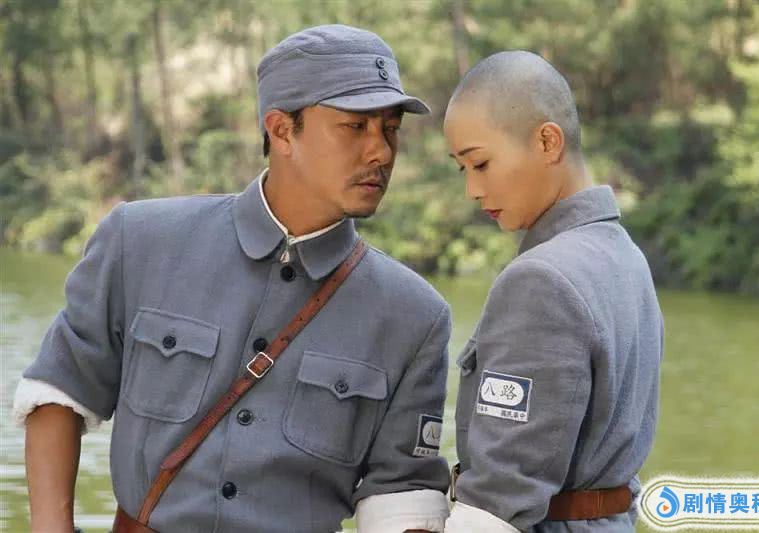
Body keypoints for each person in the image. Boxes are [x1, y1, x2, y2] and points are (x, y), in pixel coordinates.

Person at [13, 24, 452, 533]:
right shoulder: (140, 242)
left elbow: (402, 497)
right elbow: (59, 392)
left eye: (391, 129)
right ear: (281, 130)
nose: (382, 152)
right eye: (355, 127)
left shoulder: (416, 316)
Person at [441, 51, 664, 532]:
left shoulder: (541, 280)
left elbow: (499, 496)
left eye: (480, 163)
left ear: (547, 141)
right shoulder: (626, 258)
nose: (472, 189)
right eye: (463, 170)